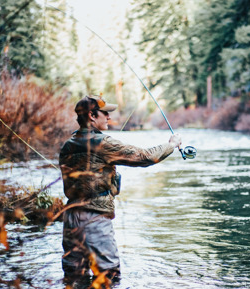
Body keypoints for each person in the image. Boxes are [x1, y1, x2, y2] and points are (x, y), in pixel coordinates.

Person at [59, 95, 181, 284]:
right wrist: (171, 145)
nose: (108, 117)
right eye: (105, 113)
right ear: (92, 115)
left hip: (71, 218)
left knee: (74, 278)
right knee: (109, 277)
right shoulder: (104, 143)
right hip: (95, 218)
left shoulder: (68, 145)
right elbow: (145, 157)